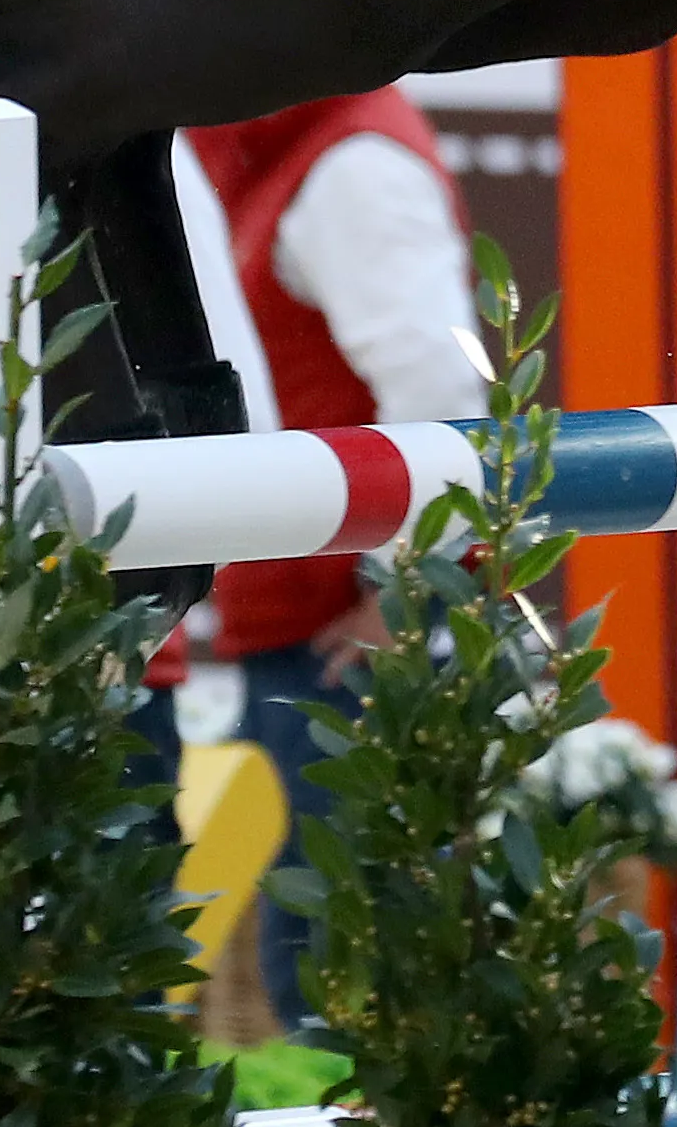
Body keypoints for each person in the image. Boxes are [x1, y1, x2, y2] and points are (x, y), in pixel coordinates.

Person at [180, 85, 490, 1027]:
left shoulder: (349, 167)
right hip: (320, 612)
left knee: (343, 975)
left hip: (346, 625)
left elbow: (441, 388)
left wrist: (399, 590)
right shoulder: (293, 146)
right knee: (334, 963)